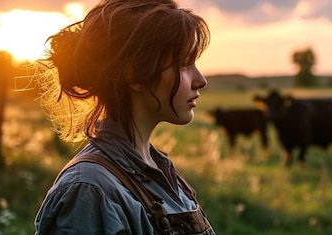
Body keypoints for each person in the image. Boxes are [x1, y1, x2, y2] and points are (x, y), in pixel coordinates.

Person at [30, 0, 214, 234]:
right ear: (135, 74)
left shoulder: (163, 172)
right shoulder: (89, 190)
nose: (201, 80)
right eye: (184, 65)